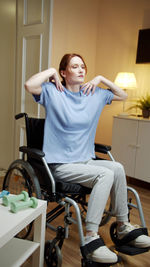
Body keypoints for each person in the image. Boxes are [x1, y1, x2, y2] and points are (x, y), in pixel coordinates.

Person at [25, 53, 150, 264]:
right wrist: (52, 73)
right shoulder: (53, 92)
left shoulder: (94, 93)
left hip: (85, 160)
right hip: (61, 165)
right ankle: (91, 238)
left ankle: (122, 227)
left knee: (117, 167)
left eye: (83, 66)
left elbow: (123, 96)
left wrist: (100, 78)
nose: (81, 69)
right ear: (64, 72)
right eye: (74, 66)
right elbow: (30, 85)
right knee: (104, 175)